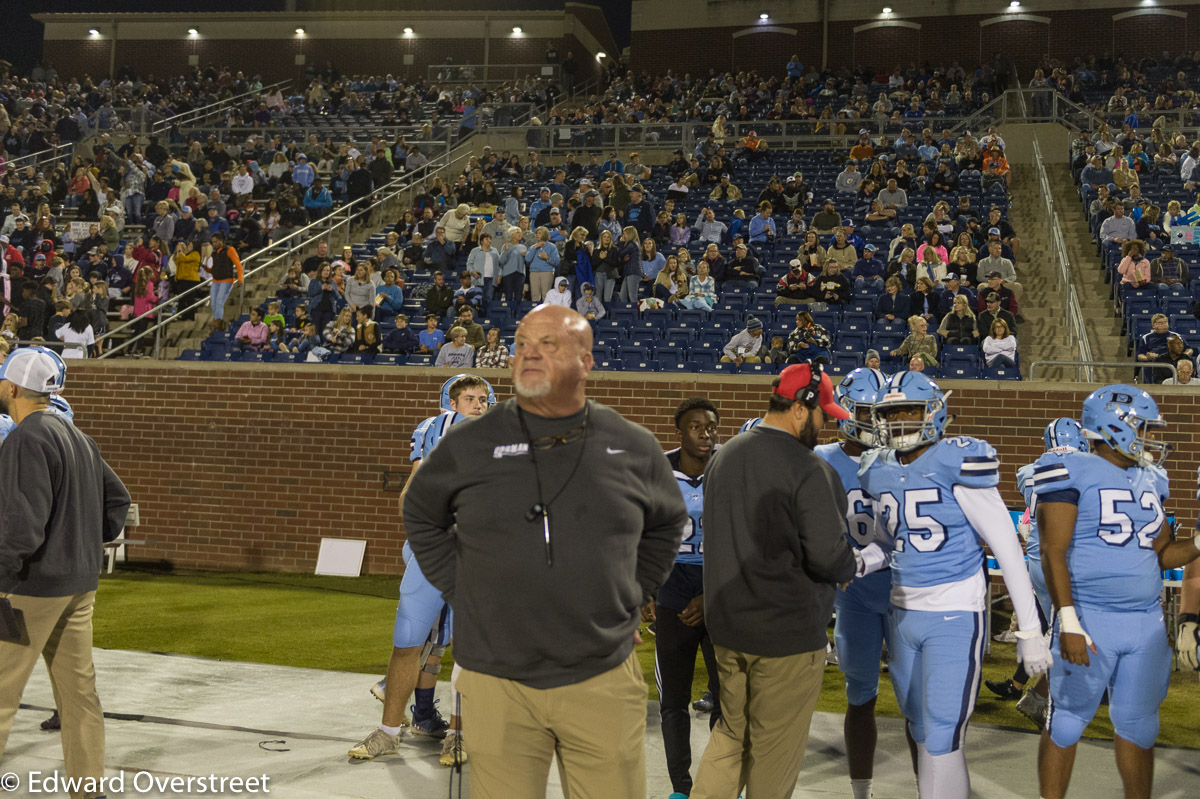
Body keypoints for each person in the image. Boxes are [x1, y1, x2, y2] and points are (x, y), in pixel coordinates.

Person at [403, 305, 688, 799]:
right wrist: (463, 588)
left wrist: (632, 592)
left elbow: (667, 523)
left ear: (586, 361)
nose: (530, 353)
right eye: (522, 344)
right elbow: (421, 514)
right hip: (497, 676)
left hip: (599, 672)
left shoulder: (630, 444)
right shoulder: (470, 442)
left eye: (549, 344)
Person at [860, 371, 1052, 799]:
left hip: (954, 612)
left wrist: (1030, 631)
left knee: (945, 734)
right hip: (903, 611)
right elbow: (887, 541)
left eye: (910, 410)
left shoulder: (957, 460)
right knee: (921, 728)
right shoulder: (879, 469)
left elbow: (1006, 548)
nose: (900, 422)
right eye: (891, 413)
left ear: (933, 410)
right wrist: (858, 562)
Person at [690, 364, 856, 799]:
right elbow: (828, 556)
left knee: (729, 738)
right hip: (786, 635)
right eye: (823, 414)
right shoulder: (809, 469)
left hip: (727, 626)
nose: (825, 425)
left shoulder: (725, 453)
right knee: (773, 754)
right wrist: (852, 565)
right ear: (801, 408)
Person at [1035, 385, 1200, 799]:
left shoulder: (1151, 476)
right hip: (1090, 617)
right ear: (1113, 426)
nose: (1147, 435)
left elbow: (1162, 553)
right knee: (1067, 722)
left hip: (1144, 621)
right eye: (1140, 426)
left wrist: (1199, 544)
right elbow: (1052, 551)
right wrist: (1068, 621)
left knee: (1140, 725)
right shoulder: (1068, 469)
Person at [0, 347, 131, 796]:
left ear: (13, 388)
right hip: (79, 584)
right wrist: (80, 544)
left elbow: (21, 528)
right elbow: (118, 500)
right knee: (79, 696)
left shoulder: (26, 438)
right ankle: (88, 789)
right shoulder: (79, 437)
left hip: (31, 589)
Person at [348, 375, 494, 764]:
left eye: (483, 398)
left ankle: (460, 734)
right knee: (407, 641)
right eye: (469, 398)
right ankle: (388, 732)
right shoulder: (436, 430)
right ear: (452, 403)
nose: (478, 404)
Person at [815, 368, 895, 799]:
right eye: (865, 411)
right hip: (854, 594)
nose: (873, 421)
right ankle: (860, 792)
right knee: (859, 692)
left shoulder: (900, 456)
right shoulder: (822, 458)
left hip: (904, 591)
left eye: (878, 413)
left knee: (919, 703)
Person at [986, 419, 1089, 727]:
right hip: (1064, 561)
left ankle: (1039, 694)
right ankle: (1045, 701)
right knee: (1069, 633)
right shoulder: (1085, 469)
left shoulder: (1029, 472)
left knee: (1059, 633)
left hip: (1036, 561)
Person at [646, 398, 723, 799]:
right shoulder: (658, 469)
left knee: (728, 700)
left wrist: (713, 594)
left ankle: (719, 782)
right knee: (673, 699)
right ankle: (681, 787)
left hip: (722, 583)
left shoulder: (728, 468)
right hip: (672, 582)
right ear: (680, 430)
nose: (705, 434)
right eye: (696, 427)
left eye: (711, 427)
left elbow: (746, 537)